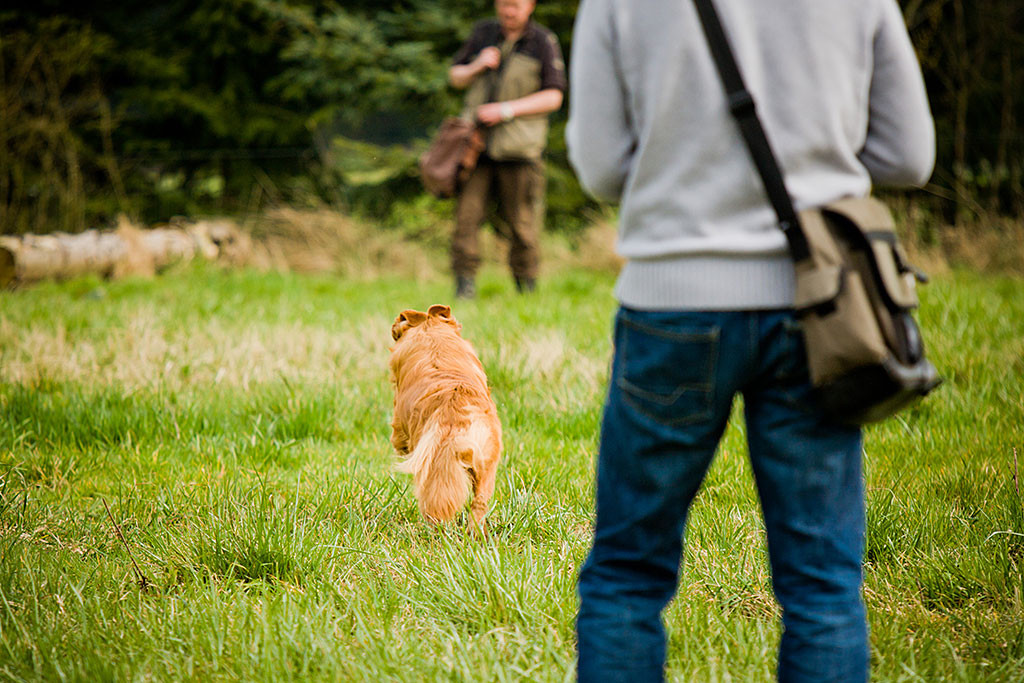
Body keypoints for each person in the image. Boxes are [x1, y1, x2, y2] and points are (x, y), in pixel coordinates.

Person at [566, 0, 934, 681]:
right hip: (820, 305)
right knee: (822, 585)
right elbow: (909, 155)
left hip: (669, 305)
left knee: (627, 575)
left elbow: (600, 169)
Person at [447, 0, 566, 299]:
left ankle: (526, 288)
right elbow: (455, 77)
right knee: (466, 220)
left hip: (520, 149)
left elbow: (554, 96)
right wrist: (477, 64)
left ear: (530, 5)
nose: (508, 11)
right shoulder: (483, 33)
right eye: (503, 4)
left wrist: (507, 110)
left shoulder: (542, 41)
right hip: (475, 148)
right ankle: (465, 288)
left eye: (515, 5)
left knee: (523, 225)